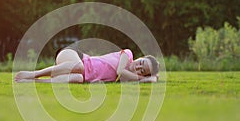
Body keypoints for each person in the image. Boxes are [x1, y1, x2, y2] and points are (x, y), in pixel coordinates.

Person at [14, 47, 159, 83]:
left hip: (79, 72)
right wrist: (143, 79)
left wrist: (150, 78)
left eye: (142, 71)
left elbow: (126, 77)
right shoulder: (127, 54)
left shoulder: (128, 79)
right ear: (140, 57)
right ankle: (34, 74)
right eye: (141, 63)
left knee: (79, 78)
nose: (138, 67)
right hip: (72, 55)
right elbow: (121, 70)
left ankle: (34, 81)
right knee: (81, 68)